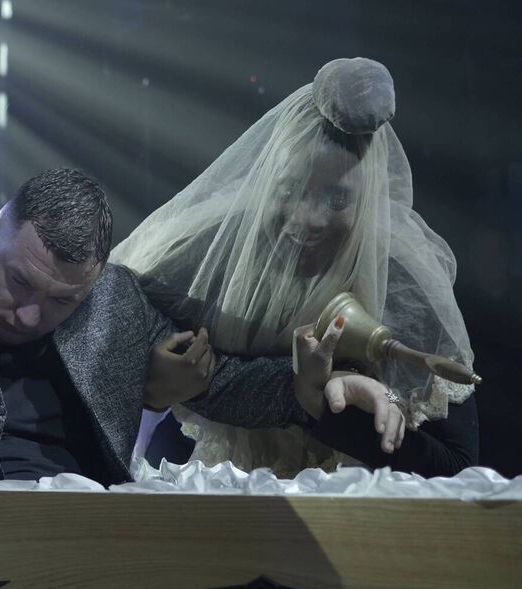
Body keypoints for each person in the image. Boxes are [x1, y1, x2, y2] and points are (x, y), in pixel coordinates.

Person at [0, 167, 397, 487]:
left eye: (60, 302)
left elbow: (219, 383)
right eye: (17, 282)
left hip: (86, 542)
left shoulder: (115, 301)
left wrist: (311, 389)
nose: (28, 314)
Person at [111, 58, 477, 477]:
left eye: (338, 200)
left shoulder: (400, 281)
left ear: (367, 197)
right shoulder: (209, 254)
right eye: (290, 191)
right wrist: (148, 380)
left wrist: (335, 411)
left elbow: (458, 464)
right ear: (267, 180)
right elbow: (113, 298)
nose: (310, 219)